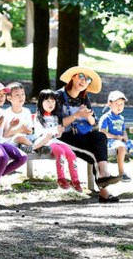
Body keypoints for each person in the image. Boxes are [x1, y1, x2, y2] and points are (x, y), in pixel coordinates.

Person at [53, 66, 121, 203]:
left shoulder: (84, 97)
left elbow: (93, 122)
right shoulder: (58, 96)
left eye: (88, 79)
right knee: (94, 154)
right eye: (81, 76)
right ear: (73, 77)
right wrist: (76, 115)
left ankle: (103, 174)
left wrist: (88, 116)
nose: (84, 81)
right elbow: (55, 124)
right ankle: (104, 190)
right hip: (63, 137)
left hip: (82, 135)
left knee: (100, 136)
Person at [32, 89, 81, 191]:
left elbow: (56, 135)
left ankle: (75, 180)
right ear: (41, 102)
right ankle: (61, 178)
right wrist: (55, 130)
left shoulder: (55, 117)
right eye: (48, 101)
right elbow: (40, 133)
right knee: (60, 152)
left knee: (71, 154)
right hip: (45, 142)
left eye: (53, 101)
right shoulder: (38, 117)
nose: (51, 104)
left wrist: (59, 132)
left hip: (54, 141)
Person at [99, 91, 133, 183]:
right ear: (109, 104)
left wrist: (125, 136)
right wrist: (115, 136)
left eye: (121, 104)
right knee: (121, 147)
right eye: (117, 104)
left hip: (121, 140)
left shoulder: (121, 118)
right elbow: (102, 132)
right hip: (110, 141)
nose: (119, 106)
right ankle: (121, 173)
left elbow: (123, 130)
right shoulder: (106, 117)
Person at [1, 82, 33, 150]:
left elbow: (30, 131)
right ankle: (35, 147)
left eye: (23, 94)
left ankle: (30, 146)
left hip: (25, 140)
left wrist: (26, 130)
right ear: (9, 98)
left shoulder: (26, 111)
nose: (21, 97)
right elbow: (6, 135)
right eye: (17, 95)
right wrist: (20, 130)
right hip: (10, 142)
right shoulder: (6, 113)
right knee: (19, 136)